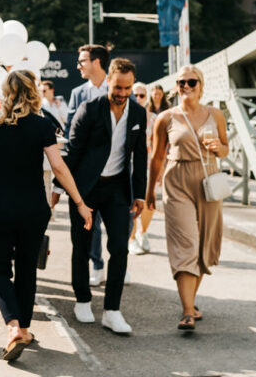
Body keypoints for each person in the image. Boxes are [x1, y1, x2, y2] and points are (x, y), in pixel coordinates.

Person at [0, 70, 92, 361]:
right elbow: (59, 168)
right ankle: (23, 328)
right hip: (32, 208)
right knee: (26, 268)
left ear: (7, 92)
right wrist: (79, 202)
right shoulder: (41, 125)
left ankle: (14, 327)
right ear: (33, 92)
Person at [60, 58, 148, 334]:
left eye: (128, 88)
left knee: (120, 247)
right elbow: (72, 154)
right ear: (108, 80)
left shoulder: (137, 113)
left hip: (117, 189)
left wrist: (141, 194)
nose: (122, 94)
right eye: (118, 87)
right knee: (82, 246)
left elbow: (141, 156)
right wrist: (70, 195)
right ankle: (82, 299)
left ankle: (112, 310)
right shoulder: (89, 109)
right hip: (85, 188)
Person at [145, 65, 229, 331]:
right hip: (177, 178)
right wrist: (149, 191)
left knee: (203, 244)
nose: (187, 87)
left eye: (192, 82)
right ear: (176, 87)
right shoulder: (167, 118)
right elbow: (157, 156)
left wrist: (219, 148)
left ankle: (191, 302)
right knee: (186, 245)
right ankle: (187, 311)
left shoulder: (216, 115)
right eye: (182, 82)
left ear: (201, 85)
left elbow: (226, 148)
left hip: (208, 178)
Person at [62, 44, 110, 287]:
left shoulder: (119, 89)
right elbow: (71, 129)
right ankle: (97, 263)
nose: (78, 66)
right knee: (90, 222)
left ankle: (112, 261)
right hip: (87, 171)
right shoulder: (78, 93)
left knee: (120, 224)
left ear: (97, 62)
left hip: (114, 171)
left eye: (82, 61)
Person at [129, 82, 156, 256]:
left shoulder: (153, 118)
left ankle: (143, 232)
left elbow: (157, 145)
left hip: (148, 164)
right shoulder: (127, 114)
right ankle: (131, 238)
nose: (138, 98)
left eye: (142, 95)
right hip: (129, 164)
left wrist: (158, 170)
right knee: (131, 203)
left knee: (149, 204)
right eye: (135, 95)